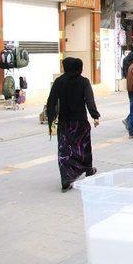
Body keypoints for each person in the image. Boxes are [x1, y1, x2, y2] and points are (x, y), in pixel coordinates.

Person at [46, 57, 100, 192]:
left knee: (65, 149)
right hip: (80, 122)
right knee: (83, 146)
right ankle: (88, 169)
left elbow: (51, 101)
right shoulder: (84, 82)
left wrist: (51, 119)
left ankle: (66, 178)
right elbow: (89, 100)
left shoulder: (59, 81)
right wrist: (95, 116)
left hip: (64, 122)